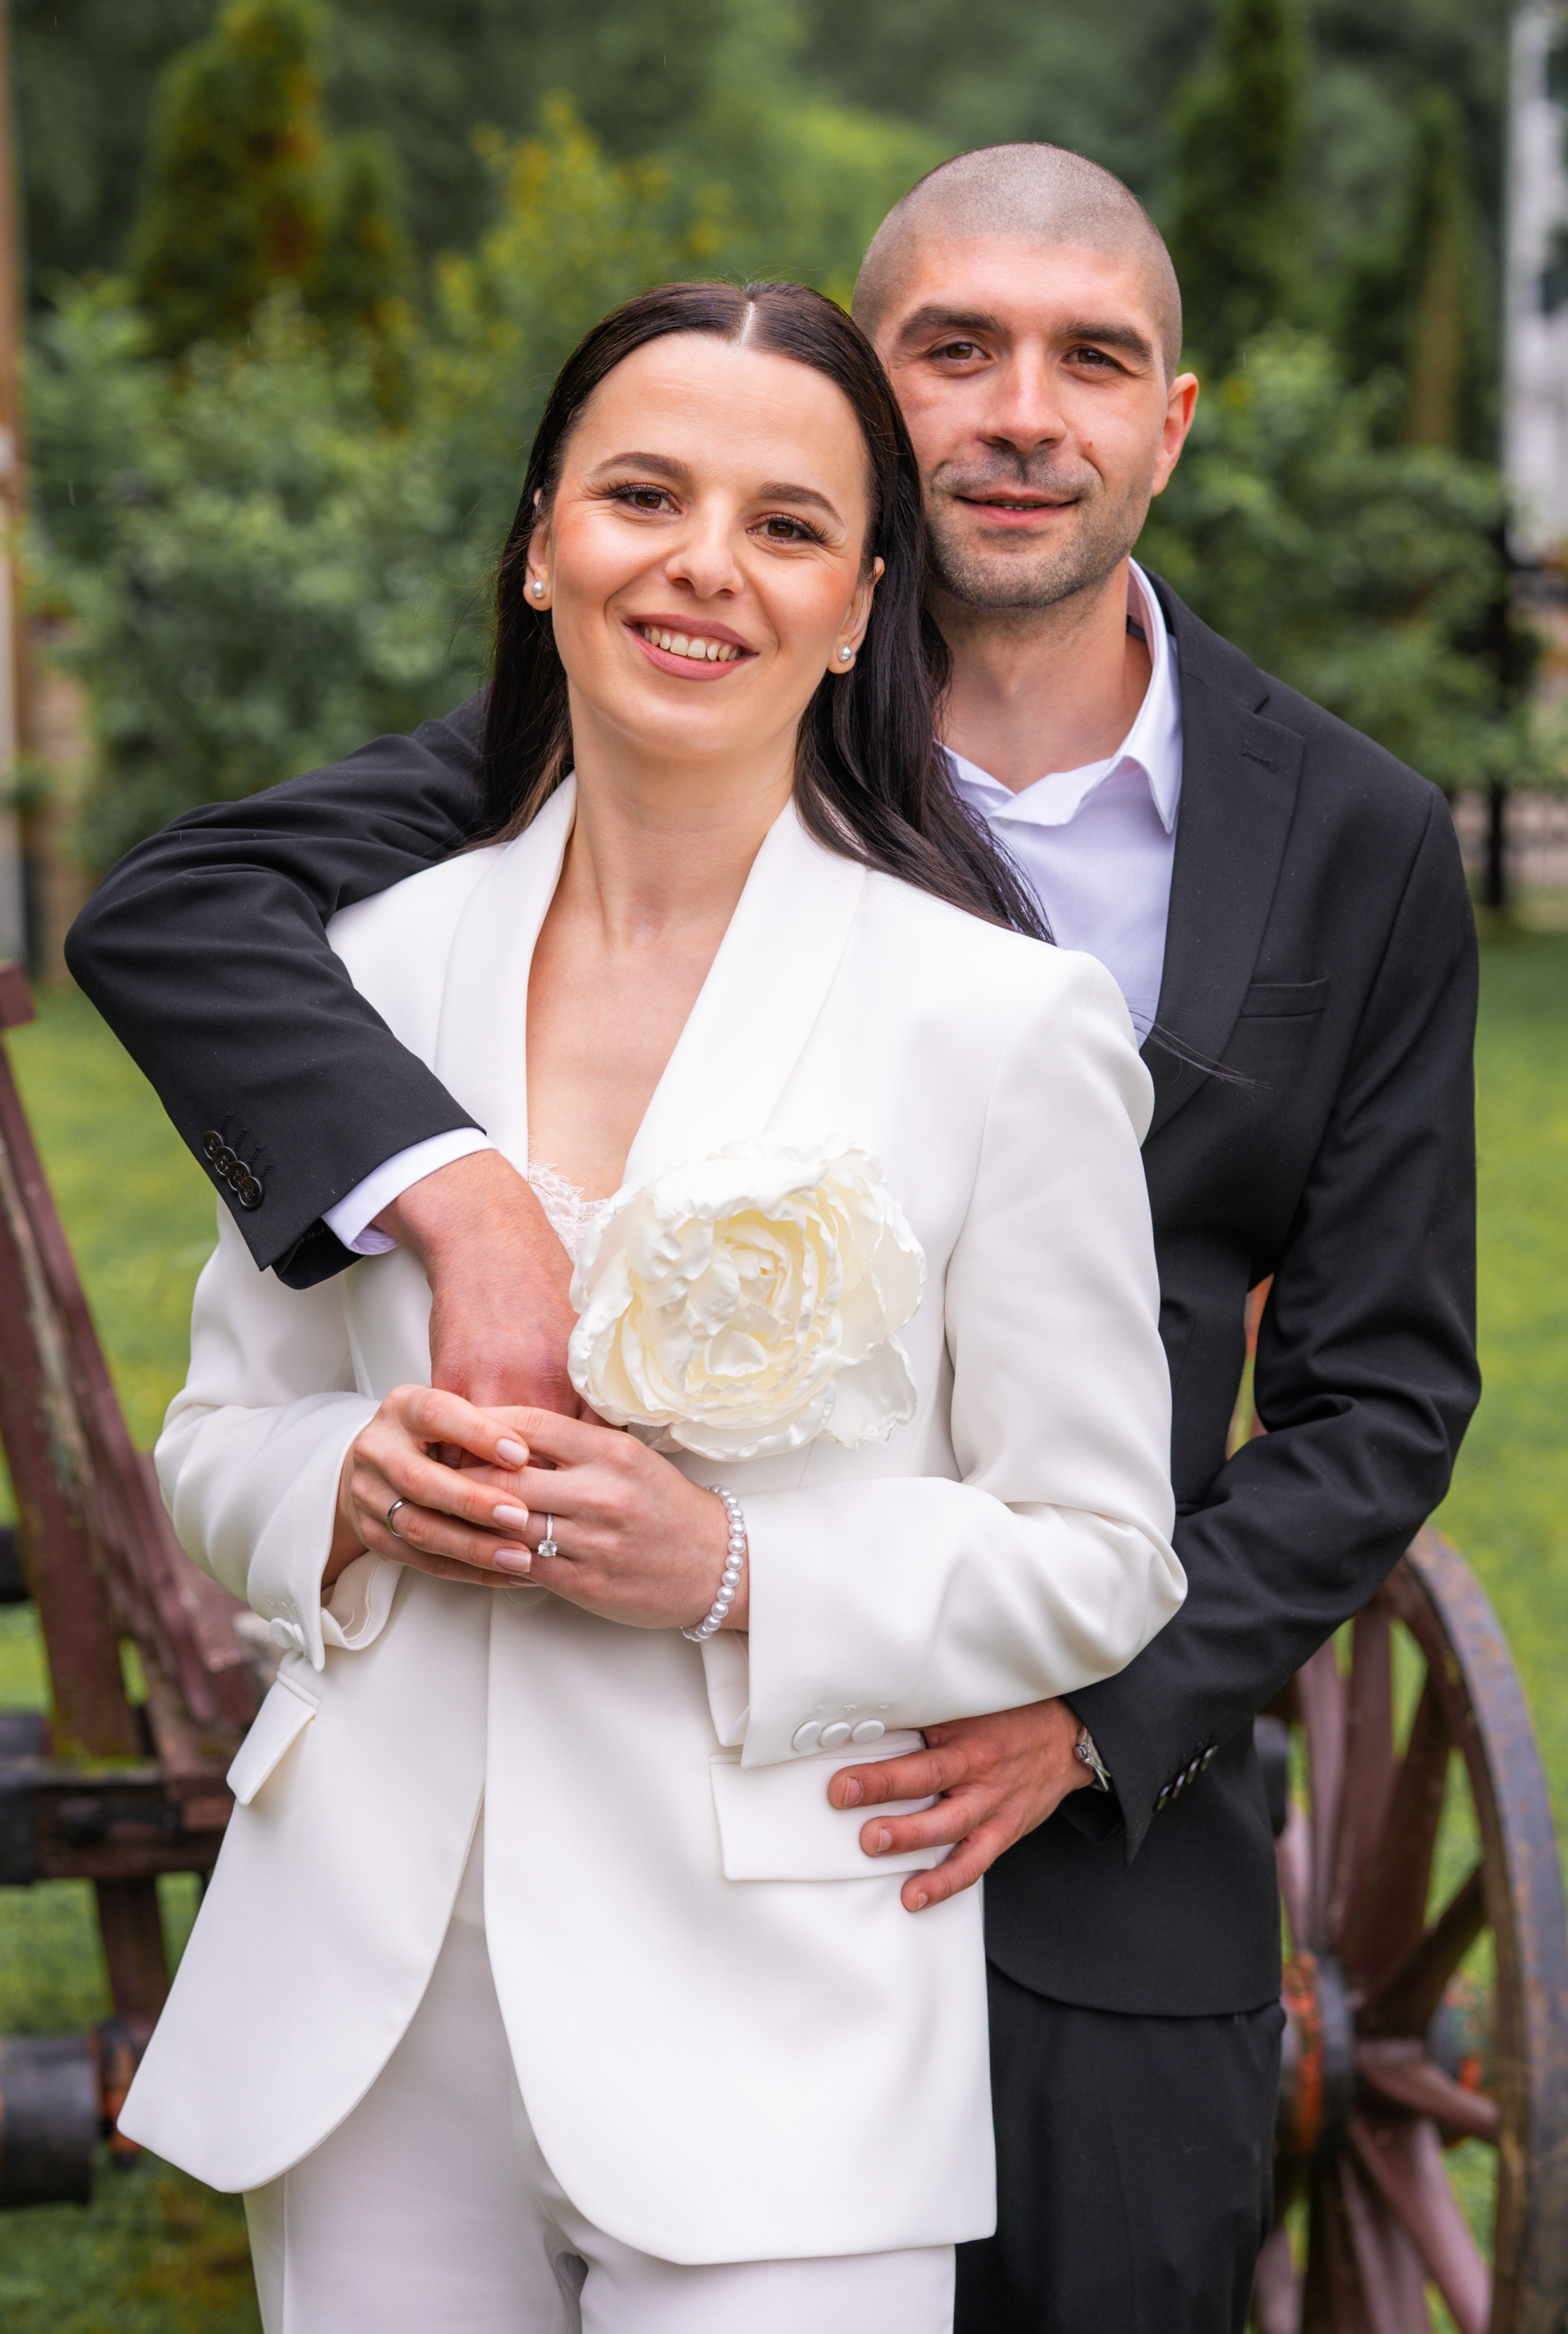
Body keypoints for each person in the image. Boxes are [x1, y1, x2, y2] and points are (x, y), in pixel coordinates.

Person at [72, 147, 1479, 2333]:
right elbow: (184, 937)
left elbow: (1375, 1387)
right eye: (954, 350)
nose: (1027, 409)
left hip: (1093, 1790)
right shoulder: (580, 748)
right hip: (489, 1881)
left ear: (1170, 421)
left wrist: (1095, 1718)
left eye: (1092, 359)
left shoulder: (1339, 844)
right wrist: (445, 1227)